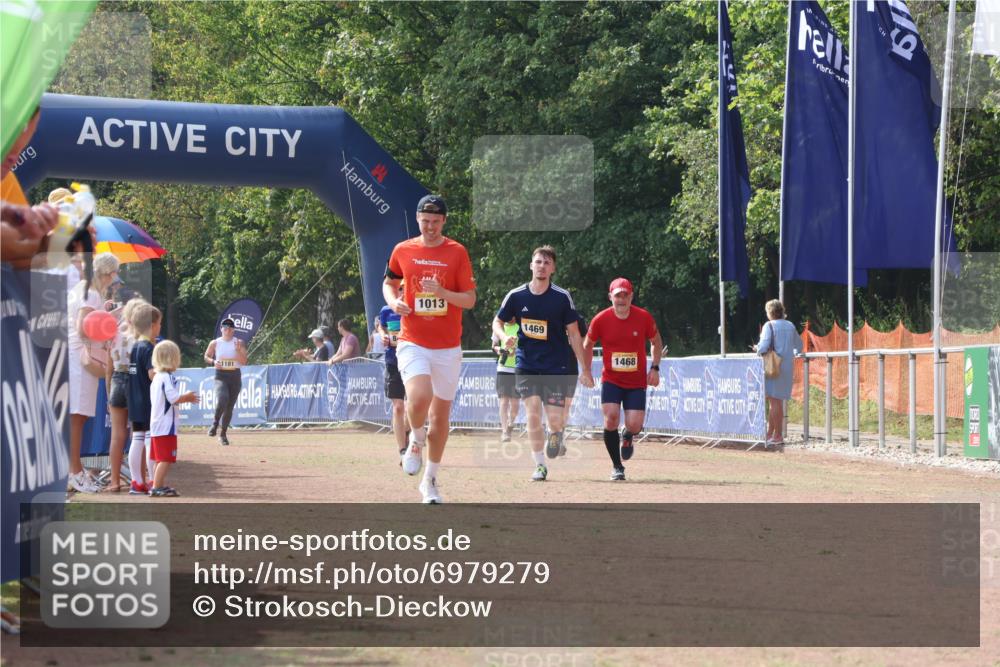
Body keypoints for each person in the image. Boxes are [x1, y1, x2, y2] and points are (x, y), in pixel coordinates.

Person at [383, 194, 476, 504]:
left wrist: (443, 292)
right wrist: (393, 302)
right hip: (413, 340)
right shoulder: (403, 249)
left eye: (436, 222)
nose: (431, 227)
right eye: (425, 221)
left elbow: (469, 300)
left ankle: (430, 481)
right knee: (419, 396)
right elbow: (389, 283)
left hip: (448, 346)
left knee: (440, 417)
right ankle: (416, 438)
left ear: (444, 221)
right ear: (418, 219)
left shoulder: (457, 252)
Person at [493, 245, 592, 483]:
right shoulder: (516, 295)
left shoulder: (561, 297)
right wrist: (504, 337)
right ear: (531, 265)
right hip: (526, 364)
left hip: (555, 367)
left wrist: (584, 369)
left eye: (547, 263)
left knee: (555, 419)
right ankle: (540, 465)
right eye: (538, 262)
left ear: (553, 269)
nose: (542, 266)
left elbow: (574, 334)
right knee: (533, 414)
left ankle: (555, 434)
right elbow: (497, 321)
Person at [582, 278, 663, 481]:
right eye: (618, 295)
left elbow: (656, 341)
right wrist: (586, 370)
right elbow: (588, 344)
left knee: (634, 425)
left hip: (636, 382)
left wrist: (655, 367)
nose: (621, 299)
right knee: (610, 418)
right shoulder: (600, 319)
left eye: (625, 295)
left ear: (631, 297)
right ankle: (617, 466)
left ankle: (628, 435)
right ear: (610, 297)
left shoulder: (643, 317)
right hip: (611, 379)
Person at [66, 251, 120, 493]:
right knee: (77, 417)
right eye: (114, 273)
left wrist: (105, 316)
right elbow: (83, 328)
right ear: (109, 273)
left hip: (77, 356)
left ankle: (74, 471)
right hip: (81, 357)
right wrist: (108, 323)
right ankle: (75, 473)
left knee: (77, 417)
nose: (115, 278)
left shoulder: (83, 288)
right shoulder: (91, 292)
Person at [148, 340, 199, 497]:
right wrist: (187, 397)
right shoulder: (167, 377)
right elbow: (173, 398)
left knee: (160, 458)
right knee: (166, 458)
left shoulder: (157, 377)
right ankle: (156, 487)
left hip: (157, 424)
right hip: (166, 425)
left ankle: (158, 484)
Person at [104, 297, 144, 492]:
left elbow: (108, 368)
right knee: (138, 434)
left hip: (117, 381)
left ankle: (114, 481)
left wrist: (108, 394)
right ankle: (140, 479)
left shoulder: (114, 333)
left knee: (116, 436)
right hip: (136, 382)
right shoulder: (143, 335)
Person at [755, 299, 802, 450]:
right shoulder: (790, 325)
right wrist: (793, 352)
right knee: (776, 400)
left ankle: (778, 435)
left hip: (773, 366)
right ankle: (770, 433)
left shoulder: (769, 326)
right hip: (787, 367)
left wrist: (757, 349)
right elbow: (799, 345)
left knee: (774, 401)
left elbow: (763, 347)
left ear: (770, 312)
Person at [127, 302, 161, 494]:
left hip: (134, 398)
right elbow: (151, 374)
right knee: (149, 440)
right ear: (152, 325)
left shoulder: (135, 346)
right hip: (147, 400)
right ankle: (153, 480)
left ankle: (136, 482)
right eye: (159, 323)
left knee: (137, 438)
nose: (160, 327)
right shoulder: (149, 348)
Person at [203, 317, 248, 446]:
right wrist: (213, 362)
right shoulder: (215, 343)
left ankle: (223, 434)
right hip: (221, 375)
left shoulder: (239, 342)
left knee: (229, 407)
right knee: (223, 399)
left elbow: (244, 362)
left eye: (230, 328)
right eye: (225, 328)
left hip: (235, 376)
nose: (228, 330)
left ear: (233, 330)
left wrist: (238, 351)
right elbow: (206, 356)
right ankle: (215, 423)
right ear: (221, 329)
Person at [378, 281, 409, 462]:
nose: (401, 292)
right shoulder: (386, 310)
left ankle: (408, 431)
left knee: (413, 407)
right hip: (393, 361)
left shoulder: (416, 308)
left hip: (412, 362)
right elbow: (380, 325)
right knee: (398, 407)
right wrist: (383, 334)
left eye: (404, 288)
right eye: (399, 289)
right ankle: (402, 450)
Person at [561, 312, 588, 449]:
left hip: (570, 366)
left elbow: (584, 339)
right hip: (550, 365)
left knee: (566, 405)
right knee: (552, 404)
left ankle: (560, 436)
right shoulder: (548, 312)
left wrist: (575, 343)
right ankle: (552, 433)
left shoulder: (578, 318)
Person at [491, 320, 520, 442]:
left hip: (518, 368)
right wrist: (499, 350)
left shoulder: (520, 326)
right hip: (503, 368)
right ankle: (504, 431)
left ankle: (510, 424)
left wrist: (515, 350)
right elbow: (493, 346)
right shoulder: (499, 325)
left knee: (515, 404)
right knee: (504, 401)